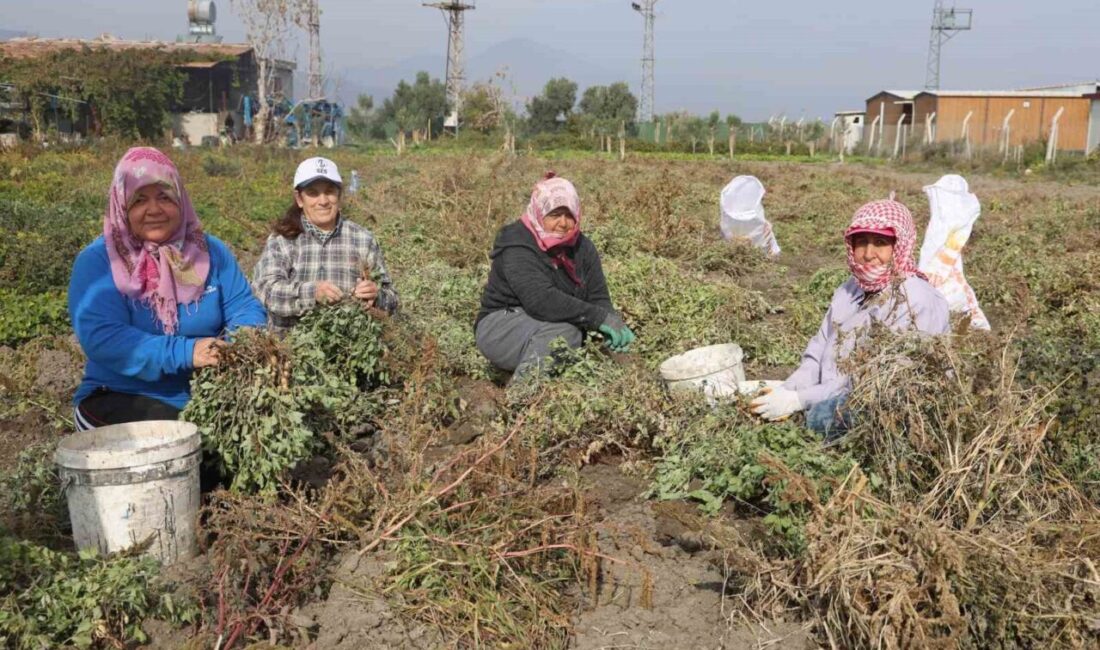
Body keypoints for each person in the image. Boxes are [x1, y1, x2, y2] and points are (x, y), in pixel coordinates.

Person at [69, 147, 267, 431]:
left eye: (164, 196)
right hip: (121, 395)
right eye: (139, 199)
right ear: (122, 205)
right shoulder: (100, 261)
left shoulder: (209, 252)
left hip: (205, 394)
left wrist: (242, 344)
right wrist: (188, 352)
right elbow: (104, 337)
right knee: (182, 440)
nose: (154, 210)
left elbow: (244, 306)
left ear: (180, 200)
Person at [746, 196, 949, 437]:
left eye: (880, 243)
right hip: (836, 389)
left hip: (889, 400)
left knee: (821, 417)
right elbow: (819, 348)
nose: (868, 254)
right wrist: (791, 388)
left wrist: (800, 399)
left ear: (899, 246)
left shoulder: (915, 299)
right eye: (861, 242)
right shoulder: (849, 289)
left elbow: (875, 380)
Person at [476, 172, 635, 381]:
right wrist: (597, 318)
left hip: (546, 322)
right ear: (539, 213)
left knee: (573, 336)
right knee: (565, 334)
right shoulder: (517, 244)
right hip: (501, 325)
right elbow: (540, 300)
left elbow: (598, 297)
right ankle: (523, 393)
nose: (563, 223)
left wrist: (612, 322)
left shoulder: (583, 247)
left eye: (569, 215)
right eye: (555, 215)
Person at [252, 156, 398, 333]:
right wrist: (311, 293)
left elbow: (392, 298)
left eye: (329, 192)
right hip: (290, 344)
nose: (323, 201)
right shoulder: (282, 240)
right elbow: (265, 290)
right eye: (313, 193)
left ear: (339, 195)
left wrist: (376, 295)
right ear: (299, 199)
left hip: (350, 345)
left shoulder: (363, 239)